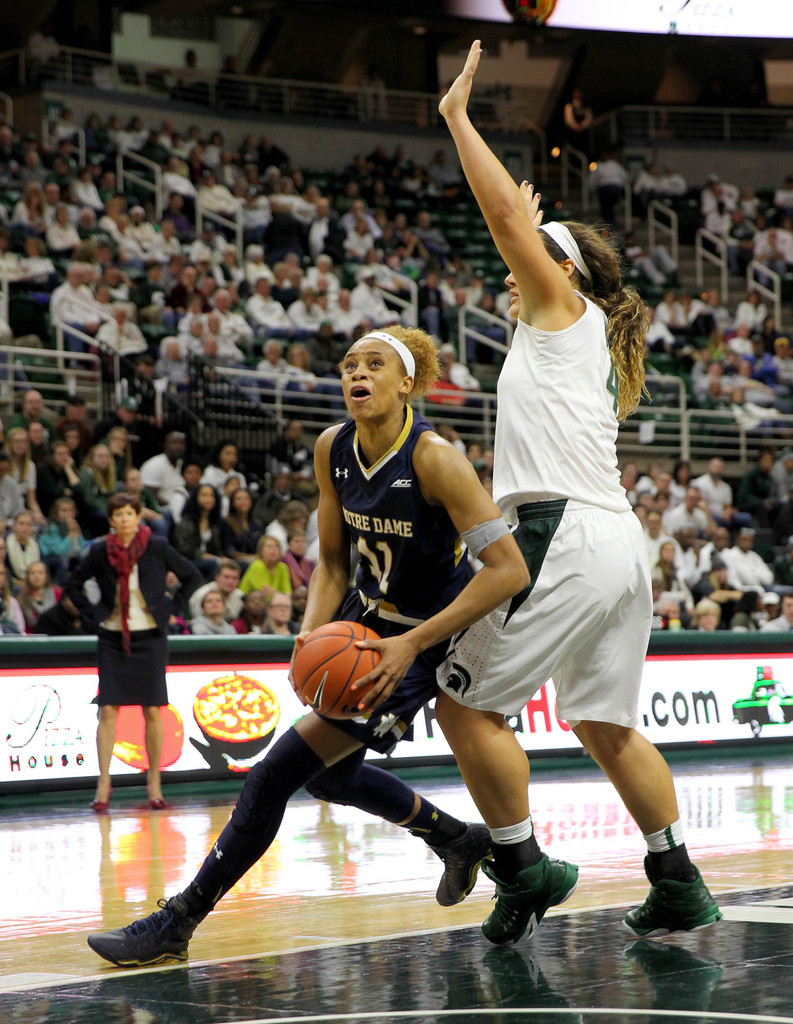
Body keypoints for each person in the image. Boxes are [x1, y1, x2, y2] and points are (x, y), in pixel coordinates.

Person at [85, 322, 527, 968]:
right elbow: (332, 566)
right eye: (349, 363)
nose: (357, 373)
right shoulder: (331, 448)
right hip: (362, 623)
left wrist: (413, 648)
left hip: (423, 637)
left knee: (274, 777)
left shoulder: (435, 459)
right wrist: (310, 631)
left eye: (375, 364)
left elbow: (508, 570)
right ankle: (455, 839)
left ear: (406, 383)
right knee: (331, 778)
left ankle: (178, 920)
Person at [424, 41, 721, 946]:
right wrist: (545, 229)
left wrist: (459, 121)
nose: (515, 272)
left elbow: (510, 222)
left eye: (534, 260)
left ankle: (522, 864)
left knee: (462, 704)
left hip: (558, 532)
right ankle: (675, 879)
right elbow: (533, 234)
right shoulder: (570, 329)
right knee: (604, 722)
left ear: (559, 275)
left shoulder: (564, 312)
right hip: (614, 542)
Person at [64, 492, 202, 812]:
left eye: (129, 513)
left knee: (152, 709)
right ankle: (103, 781)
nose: (124, 519)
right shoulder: (100, 551)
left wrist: (170, 608)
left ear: (138, 515)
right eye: (118, 515)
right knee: (107, 709)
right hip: (112, 637)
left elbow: (192, 575)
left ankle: (153, 780)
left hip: (150, 637)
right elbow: (72, 583)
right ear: (111, 520)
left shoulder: (157, 546)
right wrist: (94, 614)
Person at [238, 533, 291, 598]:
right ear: (261, 550)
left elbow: (288, 593)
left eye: (276, 546)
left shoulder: (283, 567)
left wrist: (275, 592)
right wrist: (280, 594)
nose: (273, 549)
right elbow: (266, 595)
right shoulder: (257, 566)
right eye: (269, 546)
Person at [18, 560, 61, 633]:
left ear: (46, 575)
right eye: (32, 573)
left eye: (40, 573)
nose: (36, 576)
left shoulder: (58, 593)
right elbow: (23, 627)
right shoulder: (21, 599)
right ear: (27, 577)